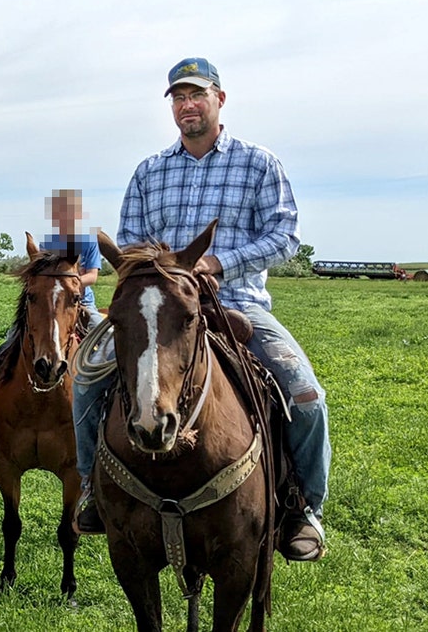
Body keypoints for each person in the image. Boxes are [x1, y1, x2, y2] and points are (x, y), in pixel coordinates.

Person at [72, 58, 331, 563]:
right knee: (85, 379)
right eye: (178, 98)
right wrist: (162, 275)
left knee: (305, 395)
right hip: (158, 311)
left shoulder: (259, 163)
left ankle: (303, 508)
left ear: (219, 100)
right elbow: (129, 242)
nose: (187, 106)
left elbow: (285, 235)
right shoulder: (150, 171)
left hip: (237, 303)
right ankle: (92, 488)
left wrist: (218, 262)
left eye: (197, 95)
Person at [0, 189, 103, 407]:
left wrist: (68, 286)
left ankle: (110, 392)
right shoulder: (50, 243)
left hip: (81, 302)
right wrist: (51, 287)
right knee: (9, 341)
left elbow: (92, 275)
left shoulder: (89, 241)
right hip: (50, 303)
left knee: (106, 336)